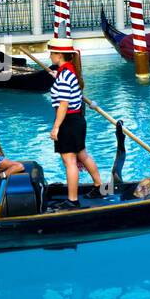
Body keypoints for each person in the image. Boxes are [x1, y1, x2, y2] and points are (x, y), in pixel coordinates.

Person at [47, 36, 104, 209]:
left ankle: (72, 201)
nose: (50, 56)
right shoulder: (69, 72)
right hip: (77, 120)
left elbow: (63, 105)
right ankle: (99, 187)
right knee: (82, 155)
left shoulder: (65, 76)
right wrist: (57, 76)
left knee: (69, 161)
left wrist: (56, 127)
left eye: (51, 53)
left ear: (59, 55)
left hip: (68, 122)